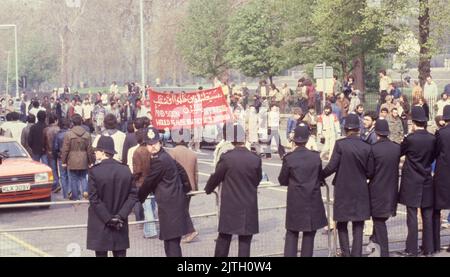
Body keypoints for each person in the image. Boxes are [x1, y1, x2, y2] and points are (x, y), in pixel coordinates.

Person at [205, 124, 262, 257]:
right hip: (249, 205)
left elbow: (216, 177)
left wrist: (208, 189)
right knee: (245, 242)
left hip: (230, 205)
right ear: (244, 138)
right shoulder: (255, 159)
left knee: (224, 239)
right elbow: (257, 180)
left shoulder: (227, 157)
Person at [321, 114, 373, 257]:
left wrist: (320, 176)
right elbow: (370, 171)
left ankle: (345, 252)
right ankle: (357, 253)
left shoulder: (340, 144)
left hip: (343, 188)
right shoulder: (366, 146)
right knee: (358, 223)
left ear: (345, 129)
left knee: (342, 222)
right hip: (360, 188)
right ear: (358, 128)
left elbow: (331, 166)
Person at [138, 127, 193, 257]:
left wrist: (137, 198)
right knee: (170, 242)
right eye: (149, 144)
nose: (153, 147)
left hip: (170, 206)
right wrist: (185, 190)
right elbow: (181, 171)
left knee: (172, 245)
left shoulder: (160, 160)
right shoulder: (164, 156)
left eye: (155, 143)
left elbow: (148, 183)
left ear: (160, 143)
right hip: (174, 204)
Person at [279, 124, 327, 257]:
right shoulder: (315, 157)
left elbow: (282, 180)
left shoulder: (289, 158)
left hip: (295, 200)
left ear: (294, 140)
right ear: (307, 139)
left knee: (292, 232)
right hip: (312, 199)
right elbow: (320, 177)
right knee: (309, 233)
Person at [87, 135, 138, 258]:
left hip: (100, 222)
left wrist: (108, 219)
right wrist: (121, 215)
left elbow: (94, 199)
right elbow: (133, 195)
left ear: (103, 152)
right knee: (120, 254)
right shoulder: (125, 170)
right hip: (120, 222)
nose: (95, 153)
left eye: (97, 150)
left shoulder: (95, 171)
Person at [398, 106, 436, 257]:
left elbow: (400, 152)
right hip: (426, 177)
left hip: (411, 179)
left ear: (413, 122)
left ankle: (411, 249)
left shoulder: (410, 139)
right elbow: (433, 156)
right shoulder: (433, 138)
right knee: (427, 215)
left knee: (412, 216)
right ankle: (428, 248)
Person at [367, 119, 401, 257]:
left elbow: (369, 172)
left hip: (377, 189)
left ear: (376, 132)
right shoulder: (396, 147)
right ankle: (373, 242)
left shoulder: (373, 148)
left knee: (379, 221)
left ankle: (384, 252)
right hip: (392, 188)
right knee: (381, 219)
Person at [168, 129, 199, 244]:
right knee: (184, 208)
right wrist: (195, 188)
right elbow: (196, 172)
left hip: (178, 186)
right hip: (190, 186)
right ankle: (185, 231)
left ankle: (190, 231)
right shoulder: (192, 154)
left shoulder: (172, 152)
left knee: (180, 209)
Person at [61, 114, 95, 200]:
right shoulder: (87, 134)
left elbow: (65, 149)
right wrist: (91, 161)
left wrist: (63, 161)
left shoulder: (68, 134)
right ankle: (85, 191)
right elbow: (89, 149)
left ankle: (76, 197)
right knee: (83, 177)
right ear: (81, 122)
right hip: (84, 158)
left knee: (73, 178)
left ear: (72, 123)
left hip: (71, 159)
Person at [433, 106, 450, 253]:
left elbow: (435, 152)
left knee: (437, 209)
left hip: (443, 174)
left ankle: (436, 244)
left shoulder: (441, 133)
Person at [53, 118, 71, 199]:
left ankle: (65, 194)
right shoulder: (71, 134)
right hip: (70, 157)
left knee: (63, 176)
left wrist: (57, 155)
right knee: (70, 175)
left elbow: (55, 147)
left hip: (61, 157)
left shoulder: (58, 135)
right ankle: (70, 192)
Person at [43, 114, 61, 193]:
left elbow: (43, 142)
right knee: (59, 169)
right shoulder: (59, 129)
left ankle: (56, 184)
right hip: (60, 151)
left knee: (53, 168)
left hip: (49, 151)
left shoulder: (46, 130)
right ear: (56, 120)